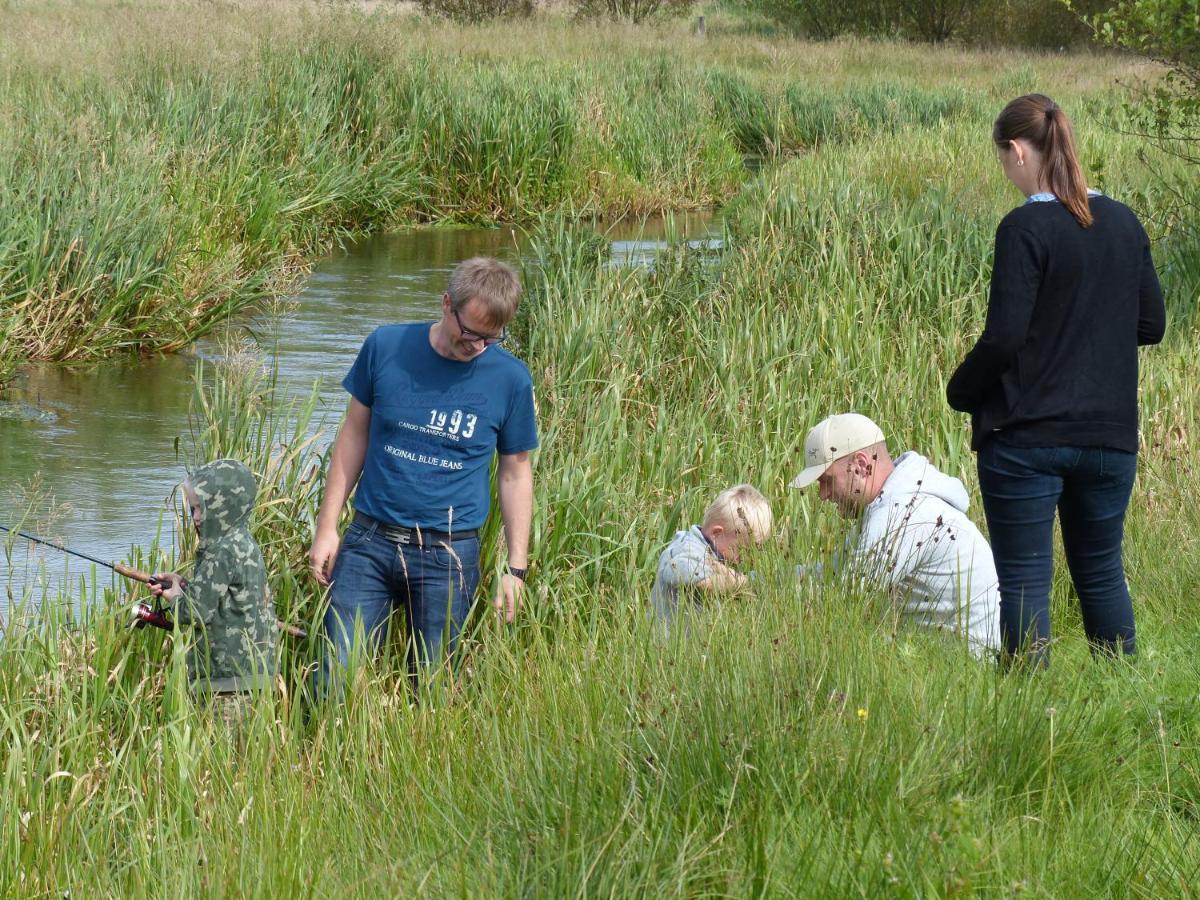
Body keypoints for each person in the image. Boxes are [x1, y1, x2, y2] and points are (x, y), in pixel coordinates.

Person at [946, 94, 1166, 666]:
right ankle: (1122, 694)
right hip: (1108, 436)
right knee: (1100, 572)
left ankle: (1031, 721)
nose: (1006, 173)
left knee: (1022, 582)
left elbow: (1003, 338)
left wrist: (962, 391)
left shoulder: (1024, 228)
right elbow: (1151, 324)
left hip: (1027, 439)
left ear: (1018, 150)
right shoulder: (1123, 222)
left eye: (1003, 160)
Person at [308, 257, 537, 688]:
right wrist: (327, 527)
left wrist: (515, 567)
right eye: (470, 333)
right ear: (446, 303)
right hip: (368, 544)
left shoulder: (510, 379)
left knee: (432, 687)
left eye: (491, 338)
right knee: (333, 678)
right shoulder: (386, 346)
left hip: (448, 557)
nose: (478, 347)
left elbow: (515, 474)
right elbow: (353, 436)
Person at [791, 413, 1000, 657]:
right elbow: (830, 574)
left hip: (967, 667)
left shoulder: (902, 512)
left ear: (861, 465)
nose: (823, 495)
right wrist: (750, 582)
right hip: (946, 660)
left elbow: (843, 602)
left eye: (826, 481)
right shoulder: (892, 503)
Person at [150, 458, 279, 730]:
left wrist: (175, 598)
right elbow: (225, 597)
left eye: (200, 509)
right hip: (252, 676)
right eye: (193, 509)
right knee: (245, 761)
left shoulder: (220, 551)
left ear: (224, 508)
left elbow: (193, 612)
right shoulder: (242, 542)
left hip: (227, 684)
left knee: (223, 760)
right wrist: (183, 585)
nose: (195, 517)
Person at [651, 484, 773, 629]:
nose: (744, 558)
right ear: (717, 533)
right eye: (741, 549)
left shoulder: (716, 555)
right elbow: (677, 571)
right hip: (666, 645)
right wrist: (740, 584)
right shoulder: (686, 547)